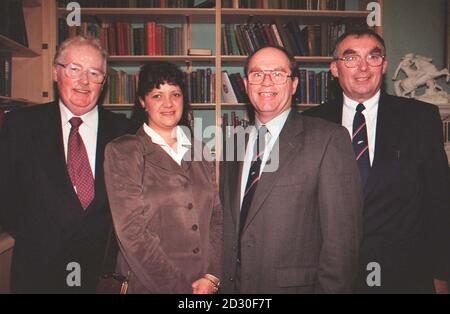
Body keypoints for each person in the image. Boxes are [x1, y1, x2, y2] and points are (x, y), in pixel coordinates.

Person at [303, 29, 450, 293]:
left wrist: (441, 274)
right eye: (350, 58)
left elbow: (439, 201)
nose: (362, 67)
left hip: (405, 276)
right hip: (329, 276)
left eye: (373, 57)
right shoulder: (310, 123)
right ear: (334, 69)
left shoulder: (421, 118)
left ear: (384, 66)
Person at [220, 46, 363, 294]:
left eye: (277, 74)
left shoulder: (328, 139)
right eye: (257, 74)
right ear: (245, 84)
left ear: (294, 84)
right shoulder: (233, 142)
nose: (266, 82)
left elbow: (342, 242)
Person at [0, 35, 129, 293]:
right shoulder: (20, 125)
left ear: (103, 82)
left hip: (101, 277)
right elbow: (6, 198)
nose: (84, 81)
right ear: (55, 73)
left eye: (94, 73)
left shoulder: (124, 131)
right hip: (37, 273)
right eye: (74, 69)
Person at [103, 61, 222, 294]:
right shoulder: (124, 150)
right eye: (157, 95)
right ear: (142, 102)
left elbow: (217, 217)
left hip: (204, 285)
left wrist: (212, 275)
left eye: (175, 94)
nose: (168, 103)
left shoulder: (200, 151)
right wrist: (180, 290)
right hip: (149, 285)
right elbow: (131, 232)